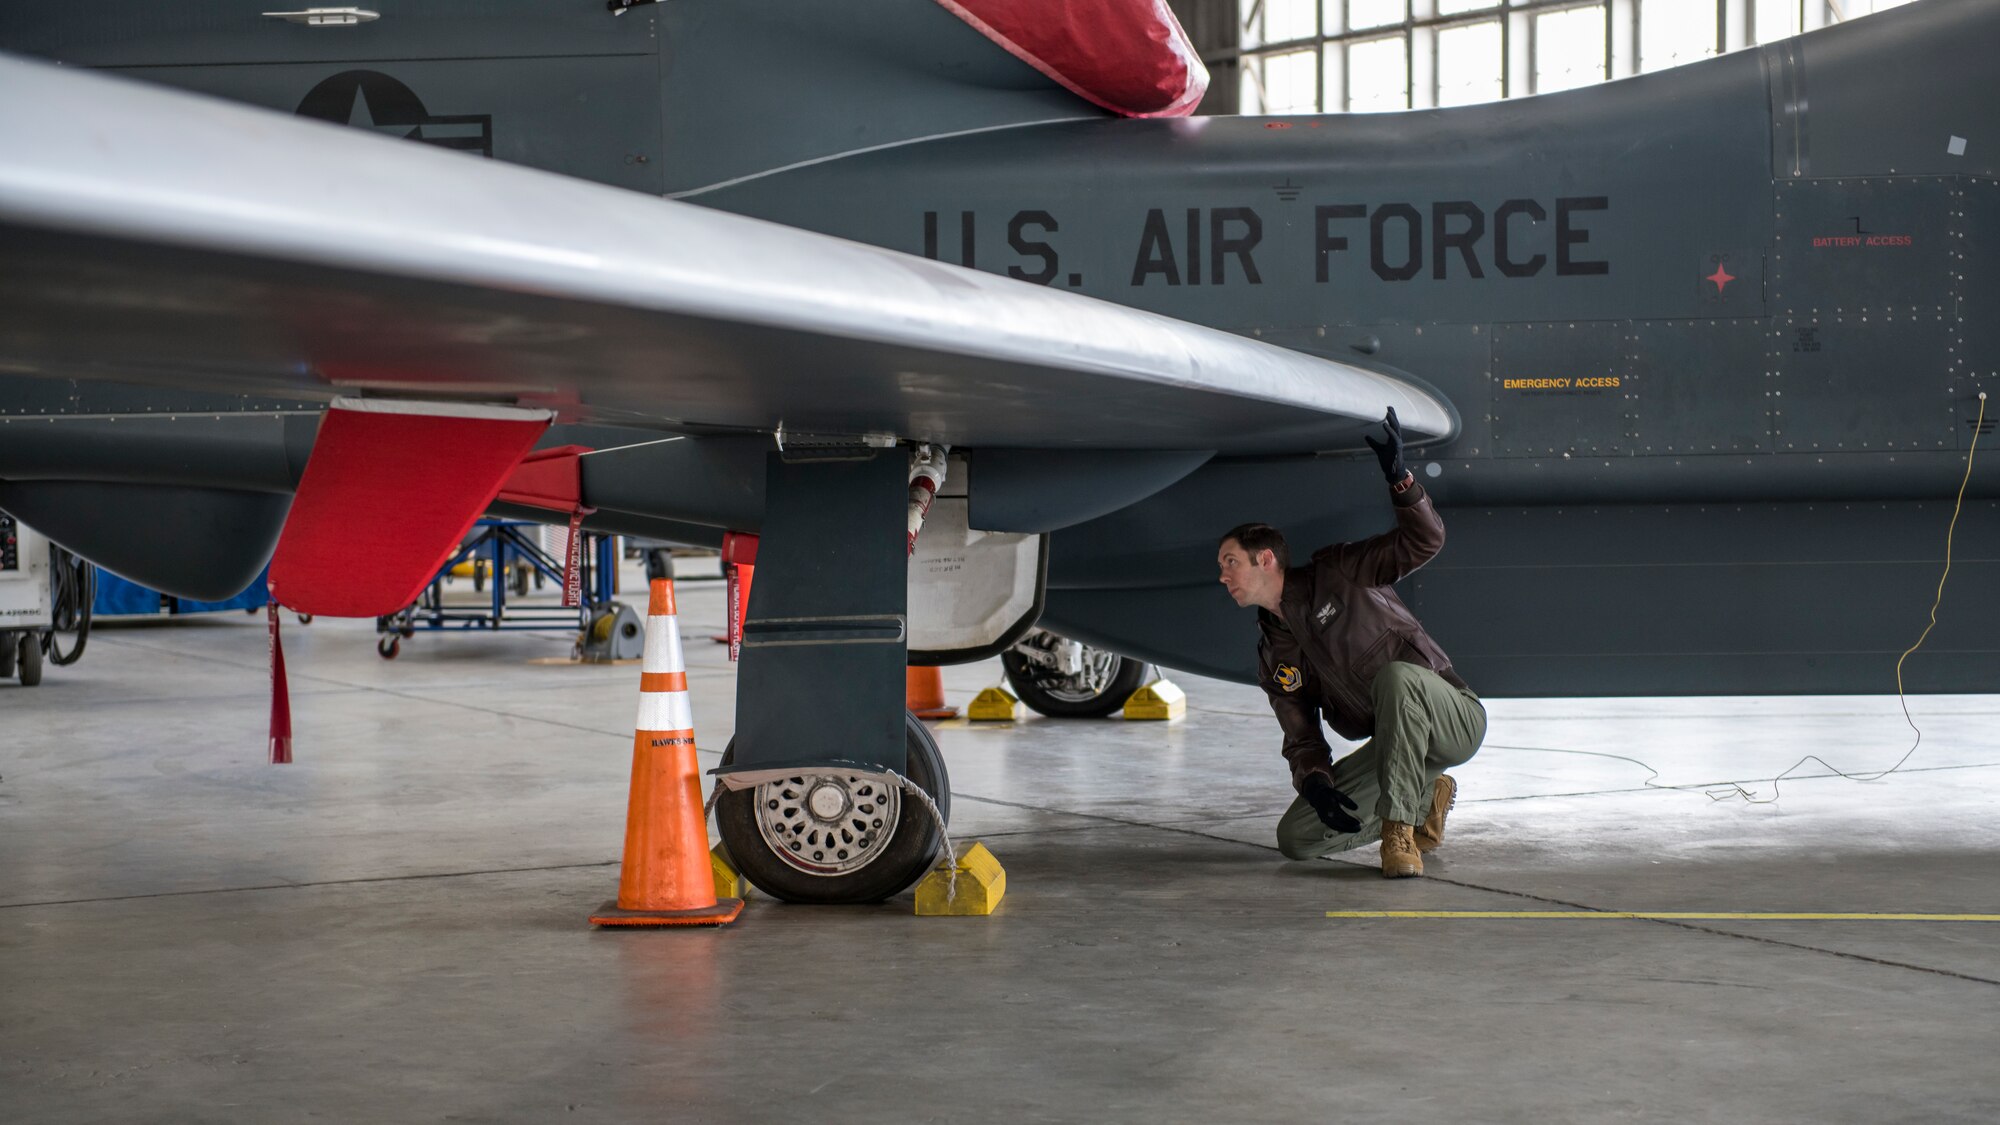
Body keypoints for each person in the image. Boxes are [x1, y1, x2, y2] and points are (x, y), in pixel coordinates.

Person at [1216, 408, 1486, 877]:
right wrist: (1315, 783)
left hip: (1452, 719)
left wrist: (1400, 479)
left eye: (1230, 563)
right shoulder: (1273, 656)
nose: (1223, 577)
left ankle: (1399, 832)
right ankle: (1426, 798)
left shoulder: (1339, 572)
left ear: (1265, 560)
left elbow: (1424, 541)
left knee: (1399, 676)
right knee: (1296, 839)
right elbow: (1302, 739)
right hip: (1394, 745)